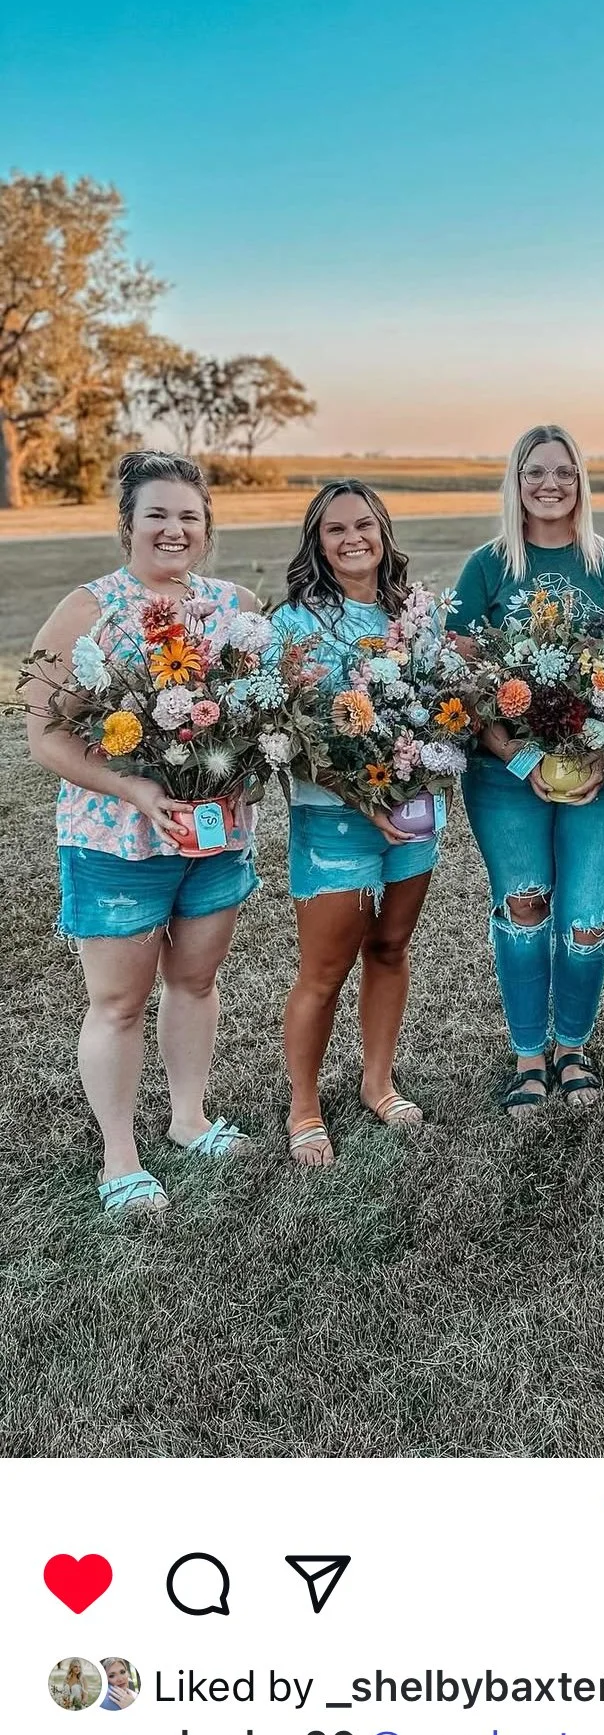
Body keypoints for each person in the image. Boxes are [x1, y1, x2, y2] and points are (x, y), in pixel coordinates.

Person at [26, 452, 260, 1219]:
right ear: (127, 523)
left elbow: (260, 723)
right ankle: (119, 1156)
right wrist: (132, 785)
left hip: (215, 836)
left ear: (207, 527)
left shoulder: (237, 605)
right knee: (119, 1001)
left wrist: (246, 771)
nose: (174, 528)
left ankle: (189, 1117)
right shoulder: (88, 609)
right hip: (116, 840)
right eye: (157, 513)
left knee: (195, 980)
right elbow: (44, 736)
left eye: (189, 515)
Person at [448, 424, 604, 1113]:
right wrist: (517, 752)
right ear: (515, 480)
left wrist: (603, 748)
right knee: (526, 904)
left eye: (563, 472)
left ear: (580, 481)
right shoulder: (487, 567)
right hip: (505, 771)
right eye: (535, 472)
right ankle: (529, 1053)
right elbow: (458, 673)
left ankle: (573, 1043)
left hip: (601, 768)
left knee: (588, 917)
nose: (550, 484)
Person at [273, 481, 442, 1166]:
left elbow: (441, 700)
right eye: (335, 528)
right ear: (317, 541)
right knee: (324, 967)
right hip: (333, 816)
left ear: (383, 531)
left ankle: (377, 1080)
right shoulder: (295, 623)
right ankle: (304, 1103)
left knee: (392, 946)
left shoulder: (414, 613)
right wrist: (358, 789)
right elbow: (293, 730)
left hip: (413, 810)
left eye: (364, 525)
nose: (352, 539)